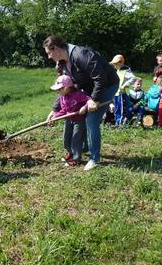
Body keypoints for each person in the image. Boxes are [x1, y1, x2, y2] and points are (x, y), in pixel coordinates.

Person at [43, 36, 119, 171]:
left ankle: (94, 158)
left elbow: (100, 78)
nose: (49, 57)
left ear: (56, 48)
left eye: (49, 53)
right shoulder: (62, 63)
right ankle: (84, 147)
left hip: (107, 84)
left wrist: (94, 100)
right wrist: (55, 110)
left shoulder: (81, 55)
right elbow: (64, 90)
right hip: (88, 87)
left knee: (92, 119)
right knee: (81, 116)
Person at [47, 75, 90, 167]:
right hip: (68, 119)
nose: (58, 92)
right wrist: (55, 117)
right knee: (66, 139)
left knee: (76, 139)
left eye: (59, 89)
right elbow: (63, 110)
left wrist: (84, 107)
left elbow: (89, 100)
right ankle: (71, 152)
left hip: (79, 120)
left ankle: (76, 158)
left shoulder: (78, 94)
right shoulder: (63, 97)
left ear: (67, 87)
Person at [109, 54, 135, 126]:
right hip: (116, 93)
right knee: (117, 108)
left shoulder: (126, 71)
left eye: (116, 64)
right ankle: (117, 122)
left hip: (122, 93)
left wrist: (125, 85)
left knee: (121, 108)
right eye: (114, 64)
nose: (114, 66)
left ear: (121, 63)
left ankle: (120, 123)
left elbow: (133, 78)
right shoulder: (117, 70)